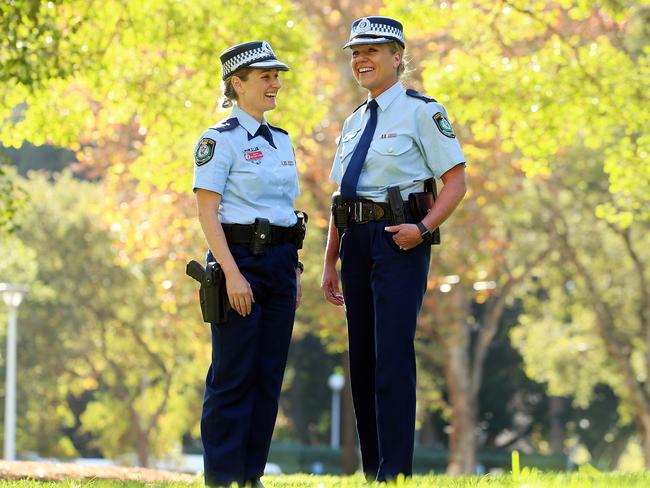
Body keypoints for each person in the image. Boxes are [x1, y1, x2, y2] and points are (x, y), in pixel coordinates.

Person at [321, 16, 468, 481]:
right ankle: (372, 471)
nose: (361, 60)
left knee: (392, 357)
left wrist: (422, 230)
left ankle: (396, 472)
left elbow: (457, 182)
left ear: (397, 56)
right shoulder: (352, 121)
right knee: (361, 358)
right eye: (355, 53)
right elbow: (339, 196)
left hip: (398, 239)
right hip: (354, 244)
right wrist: (329, 259)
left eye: (372, 51)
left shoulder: (423, 111)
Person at [193, 41, 305, 488]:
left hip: (280, 263)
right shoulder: (217, 141)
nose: (275, 83)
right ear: (237, 84)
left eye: (277, 76)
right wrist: (234, 275)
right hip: (237, 261)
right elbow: (207, 213)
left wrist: (293, 269)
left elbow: (284, 208)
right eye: (265, 77)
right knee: (233, 374)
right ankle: (222, 477)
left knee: (268, 374)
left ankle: (250, 475)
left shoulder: (282, 140)